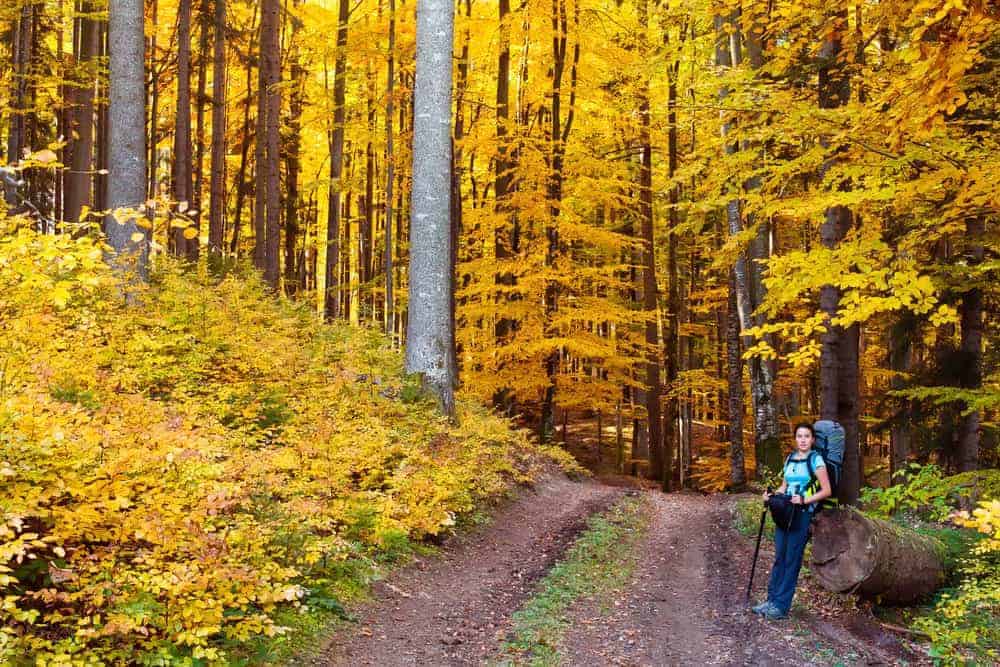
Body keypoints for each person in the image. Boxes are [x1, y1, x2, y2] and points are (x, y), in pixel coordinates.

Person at [751, 422, 832, 620]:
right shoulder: (790, 458)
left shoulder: (816, 460)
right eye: (799, 436)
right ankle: (771, 600)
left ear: (812, 440)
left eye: (806, 436)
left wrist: (805, 499)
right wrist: (771, 496)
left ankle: (781, 606)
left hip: (802, 514)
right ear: (795, 439)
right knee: (779, 558)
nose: (803, 440)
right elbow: (784, 486)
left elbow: (826, 490)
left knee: (791, 560)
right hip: (786, 512)